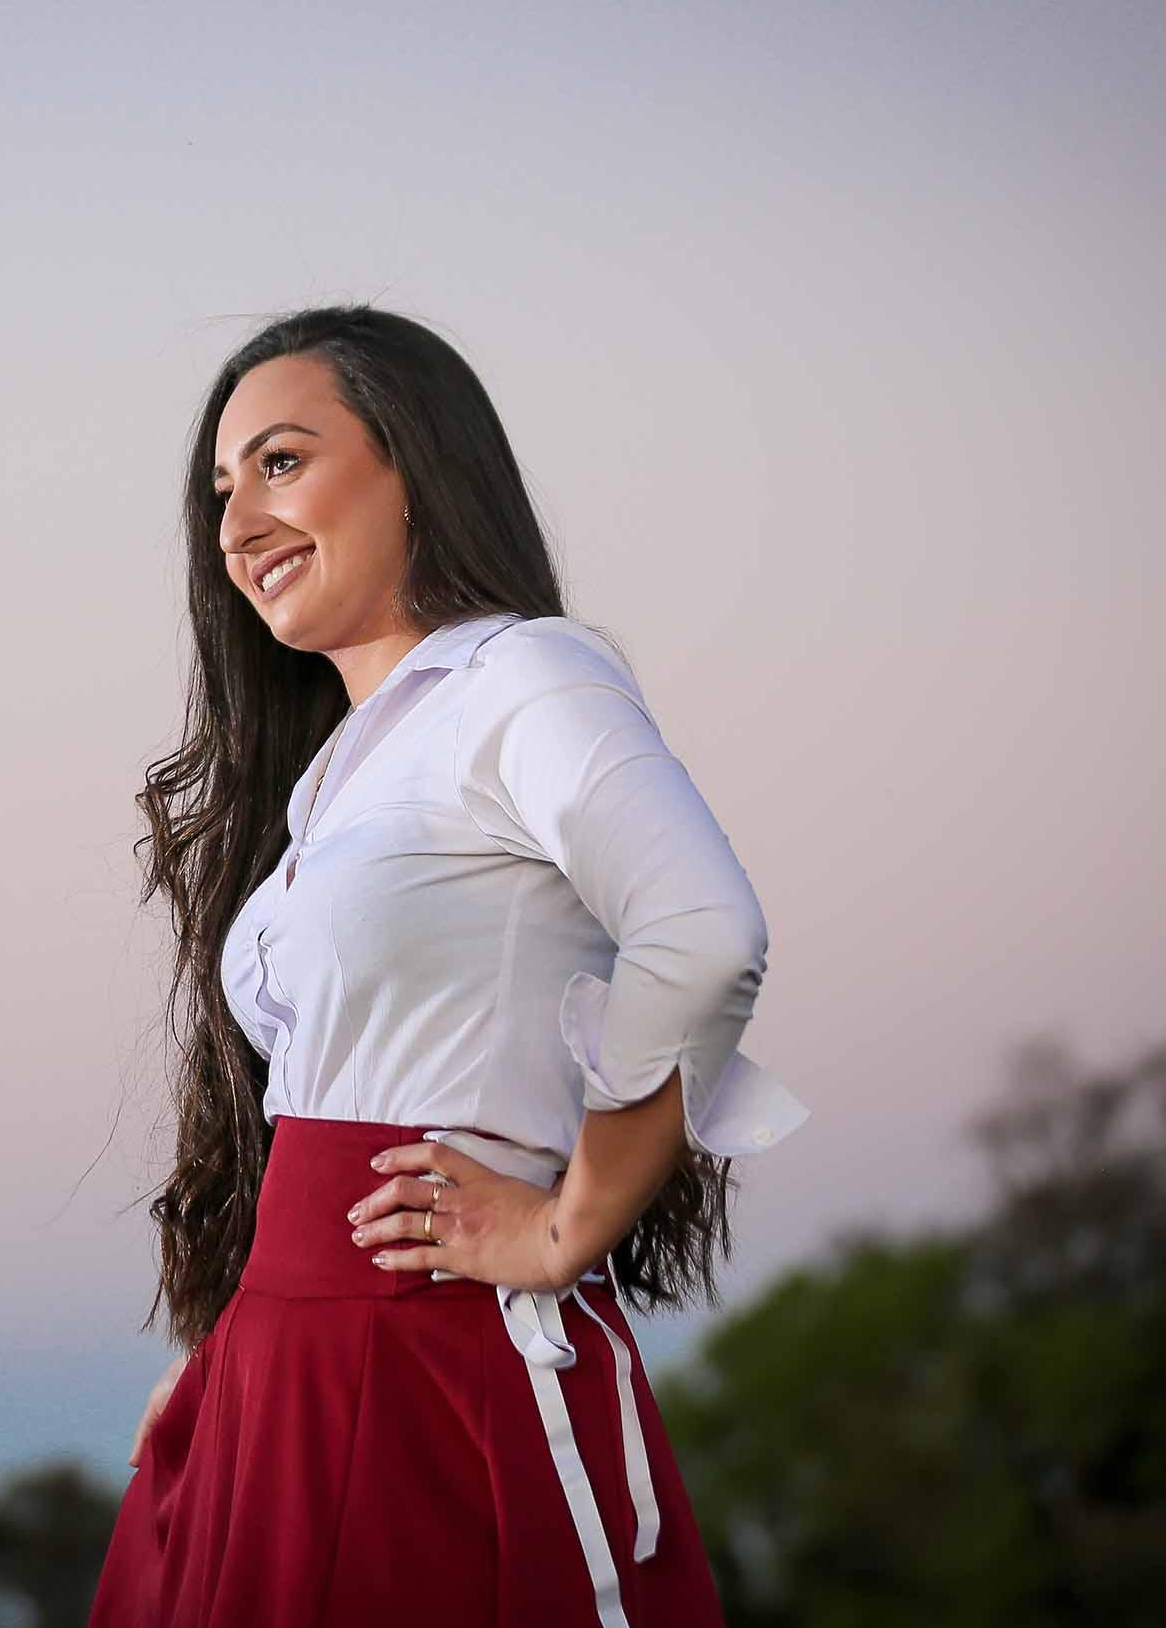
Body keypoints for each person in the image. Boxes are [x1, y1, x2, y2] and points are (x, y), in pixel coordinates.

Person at [88, 307, 805, 1628]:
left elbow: (702, 932)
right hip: (287, 1365)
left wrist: (564, 1224)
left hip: (433, 1354)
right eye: (221, 490)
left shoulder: (522, 677)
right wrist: (234, 1346)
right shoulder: (333, 777)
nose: (237, 523)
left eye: (282, 462)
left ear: (417, 463)